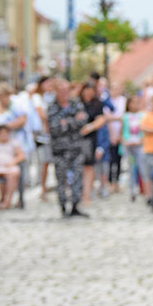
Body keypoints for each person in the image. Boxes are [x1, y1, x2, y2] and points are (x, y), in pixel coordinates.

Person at [47, 80, 91, 218]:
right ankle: (63, 207)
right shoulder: (52, 107)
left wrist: (66, 123)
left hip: (76, 148)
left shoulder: (75, 104)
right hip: (59, 150)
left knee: (78, 177)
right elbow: (54, 128)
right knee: (61, 179)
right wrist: (73, 122)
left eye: (67, 90)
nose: (65, 93)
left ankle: (75, 206)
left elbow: (83, 120)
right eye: (62, 90)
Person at [79, 83, 107, 205]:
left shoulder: (97, 104)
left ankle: (87, 193)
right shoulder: (77, 103)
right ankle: (78, 192)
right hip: (76, 139)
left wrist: (89, 127)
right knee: (78, 166)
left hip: (90, 139)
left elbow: (101, 119)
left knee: (89, 166)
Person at [121, 95, 145, 202]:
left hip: (139, 144)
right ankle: (132, 190)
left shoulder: (142, 115)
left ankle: (145, 189)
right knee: (131, 168)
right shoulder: (125, 116)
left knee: (142, 167)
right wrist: (125, 141)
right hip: (129, 145)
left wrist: (141, 140)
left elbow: (144, 131)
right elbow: (121, 133)